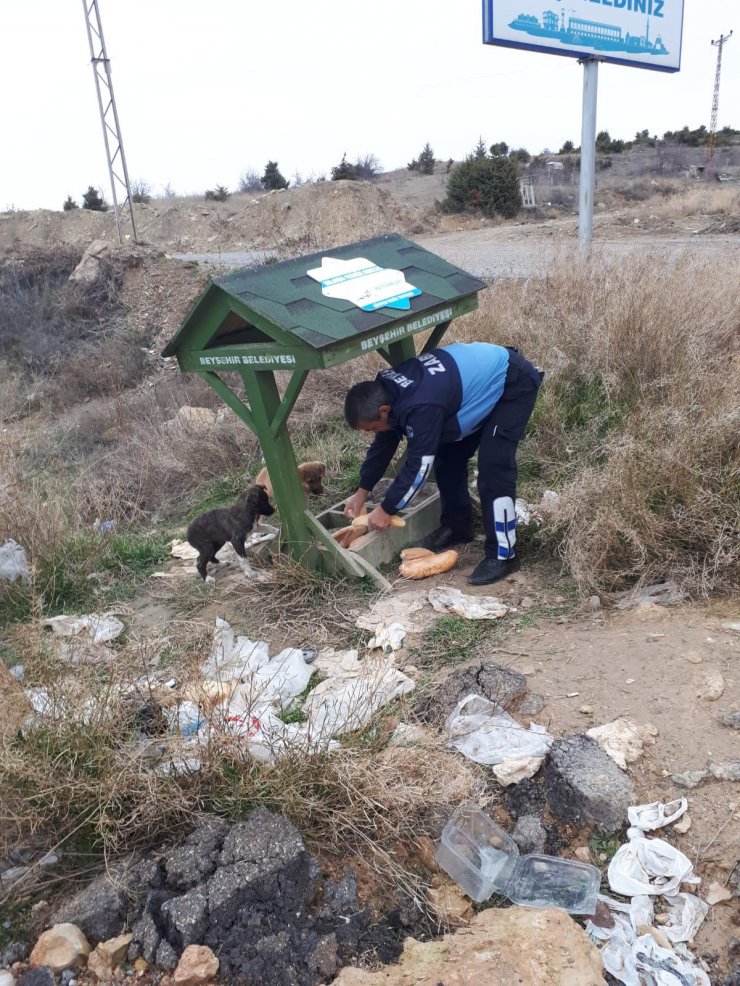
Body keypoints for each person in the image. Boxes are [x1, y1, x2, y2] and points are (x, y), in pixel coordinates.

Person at [343, 342, 543, 586]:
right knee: (448, 459)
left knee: (493, 468)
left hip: (511, 384)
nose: (372, 433)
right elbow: (385, 442)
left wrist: (387, 509)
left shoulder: (420, 405)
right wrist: (362, 492)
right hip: (462, 394)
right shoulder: (388, 392)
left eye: (372, 428)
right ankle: (457, 527)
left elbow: (419, 466)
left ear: (384, 411)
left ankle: (504, 555)